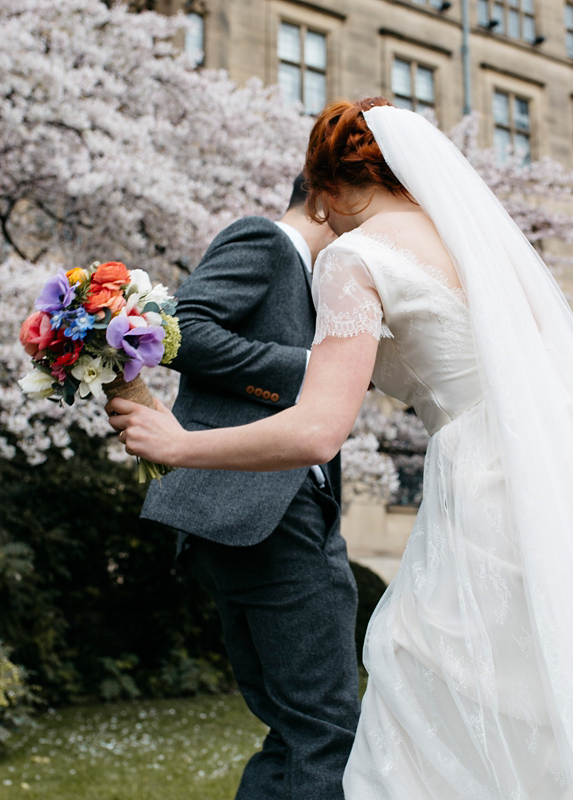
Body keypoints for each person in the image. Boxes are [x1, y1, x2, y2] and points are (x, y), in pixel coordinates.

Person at [110, 99, 573, 800]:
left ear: (340, 185)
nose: (328, 221)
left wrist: (180, 444)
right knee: (561, 713)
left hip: (493, 491)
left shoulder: (354, 256)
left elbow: (319, 429)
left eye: (326, 203)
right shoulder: (478, 248)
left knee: (427, 693)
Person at [132, 176, 358, 800]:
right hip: (265, 513)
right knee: (326, 732)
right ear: (323, 199)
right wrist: (308, 373)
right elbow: (179, 329)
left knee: (296, 732)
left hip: (255, 513)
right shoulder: (265, 240)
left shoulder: (319, 284)